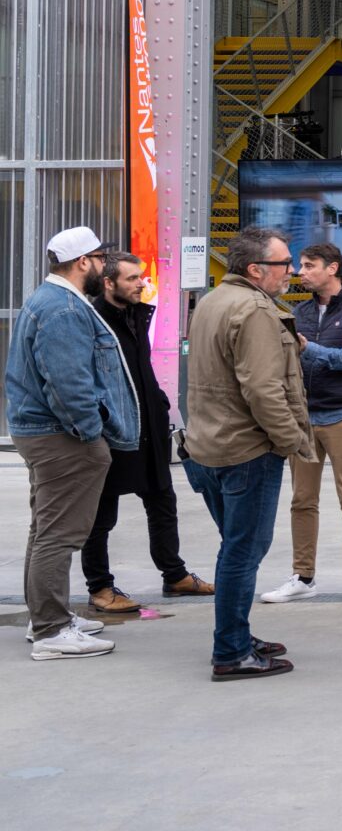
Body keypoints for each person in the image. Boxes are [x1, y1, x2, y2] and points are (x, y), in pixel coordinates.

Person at [182, 226, 314, 680]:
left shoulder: (214, 300)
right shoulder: (254, 310)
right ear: (256, 270)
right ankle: (231, 651)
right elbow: (263, 390)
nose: (292, 271)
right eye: (284, 264)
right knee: (243, 552)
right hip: (244, 450)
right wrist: (289, 441)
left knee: (234, 549)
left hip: (207, 447)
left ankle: (236, 635)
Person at [7, 227, 139, 660]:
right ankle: (50, 631)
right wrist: (89, 433)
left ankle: (46, 616)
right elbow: (68, 382)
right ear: (83, 262)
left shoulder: (49, 300)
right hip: (60, 436)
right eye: (100, 258)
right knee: (58, 535)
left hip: (43, 432)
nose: (104, 266)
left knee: (45, 529)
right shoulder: (63, 308)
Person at [81, 250, 213, 613]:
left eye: (141, 277)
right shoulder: (92, 320)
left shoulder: (136, 315)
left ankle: (175, 575)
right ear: (109, 283)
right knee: (101, 515)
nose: (142, 284)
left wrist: (158, 405)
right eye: (132, 279)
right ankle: (100, 587)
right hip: (113, 431)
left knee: (162, 501)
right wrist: (101, 422)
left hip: (148, 427)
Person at [259, 242, 342, 610]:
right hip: (307, 417)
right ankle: (303, 576)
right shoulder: (301, 311)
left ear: (333, 268)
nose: (300, 272)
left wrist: (308, 348)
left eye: (309, 266)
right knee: (302, 501)